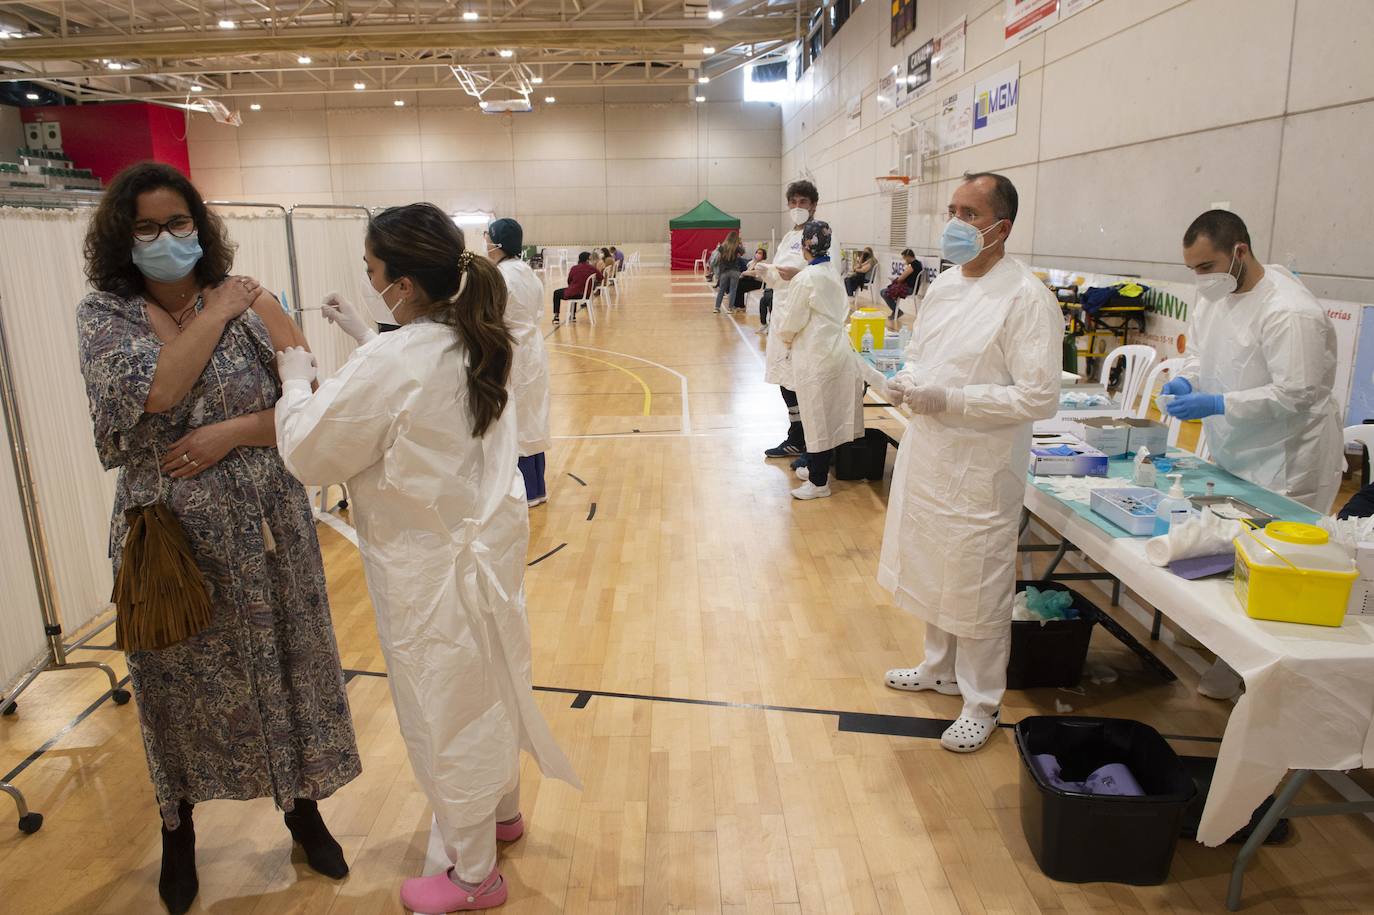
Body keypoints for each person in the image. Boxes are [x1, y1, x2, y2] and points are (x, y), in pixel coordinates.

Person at [275, 203, 579, 913]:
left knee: (446, 707)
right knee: (493, 681)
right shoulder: (475, 336)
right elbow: (413, 388)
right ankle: (501, 811)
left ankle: (474, 874)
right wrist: (365, 334)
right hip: (485, 554)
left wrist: (295, 381)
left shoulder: (403, 356)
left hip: (429, 569)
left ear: (403, 284)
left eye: (375, 274)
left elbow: (312, 449)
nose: (373, 283)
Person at [75, 162, 361, 915]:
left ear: (199, 224)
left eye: (178, 222)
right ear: (121, 238)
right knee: (175, 688)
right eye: (146, 227)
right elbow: (158, 390)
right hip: (168, 543)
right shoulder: (104, 315)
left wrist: (233, 432)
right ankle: (179, 833)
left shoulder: (257, 302)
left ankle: (303, 810)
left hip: (269, 528)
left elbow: (313, 404)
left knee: (288, 663)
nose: (167, 238)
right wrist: (220, 306)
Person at [879, 172, 1060, 754]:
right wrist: (908, 380)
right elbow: (927, 354)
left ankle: (982, 700)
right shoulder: (947, 285)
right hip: (932, 452)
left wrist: (953, 400)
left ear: (1000, 227)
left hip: (981, 466)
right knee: (934, 562)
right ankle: (938, 666)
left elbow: (1038, 397)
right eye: (951, 210)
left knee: (977, 581)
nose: (954, 223)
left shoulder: (1027, 298)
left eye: (969, 213)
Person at [1164, 209, 1343, 701]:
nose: (1201, 279)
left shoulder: (1289, 310)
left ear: (1239, 252)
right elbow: (1202, 356)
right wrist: (1188, 379)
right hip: (1237, 447)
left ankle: (1265, 677)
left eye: (1207, 266)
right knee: (1231, 548)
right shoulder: (1215, 296)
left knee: (1275, 563)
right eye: (1193, 269)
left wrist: (1218, 402)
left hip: (1289, 457)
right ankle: (1229, 652)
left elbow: (1298, 394)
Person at [776, 220, 860, 500]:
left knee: (816, 417)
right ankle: (815, 465)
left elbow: (791, 320)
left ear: (805, 246)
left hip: (815, 354)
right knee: (828, 413)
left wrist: (785, 339)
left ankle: (819, 481)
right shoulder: (831, 272)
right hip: (836, 350)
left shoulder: (805, 278)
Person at [748, 179, 819, 459]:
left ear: (814, 205)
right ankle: (796, 435)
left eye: (804, 202)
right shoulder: (790, 237)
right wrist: (764, 271)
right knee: (785, 380)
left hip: (805, 322)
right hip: (783, 317)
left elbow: (821, 274)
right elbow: (780, 272)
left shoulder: (821, 235)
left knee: (802, 381)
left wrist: (791, 274)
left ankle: (812, 442)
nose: (798, 207)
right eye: (794, 201)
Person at [487, 217, 552, 507]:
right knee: (532, 419)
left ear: (497, 243)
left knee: (515, 420)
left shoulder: (499, 276)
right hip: (532, 350)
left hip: (511, 351)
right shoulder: (527, 271)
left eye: (488, 238)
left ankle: (524, 490)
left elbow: (491, 317)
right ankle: (537, 486)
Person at [551, 250, 602, 325]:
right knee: (574, 290)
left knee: (557, 293)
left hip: (575, 293)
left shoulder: (574, 268)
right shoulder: (592, 268)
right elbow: (601, 277)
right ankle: (572, 315)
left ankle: (556, 316)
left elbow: (569, 281)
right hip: (587, 294)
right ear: (587, 259)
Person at [879, 248, 920, 327]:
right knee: (883, 292)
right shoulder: (916, 264)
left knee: (884, 292)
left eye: (904, 258)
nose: (904, 260)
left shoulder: (914, 265)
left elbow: (901, 278)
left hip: (909, 289)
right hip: (909, 287)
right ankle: (896, 311)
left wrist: (895, 279)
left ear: (908, 256)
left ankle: (897, 311)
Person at [713, 231, 746, 314]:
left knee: (721, 290)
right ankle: (730, 308)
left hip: (724, 271)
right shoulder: (736, 247)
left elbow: (718, 258)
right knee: (733, 290)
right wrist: (740, 244)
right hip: (735, 271)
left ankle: (717, 307)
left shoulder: (722, 247)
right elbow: (743, 252)